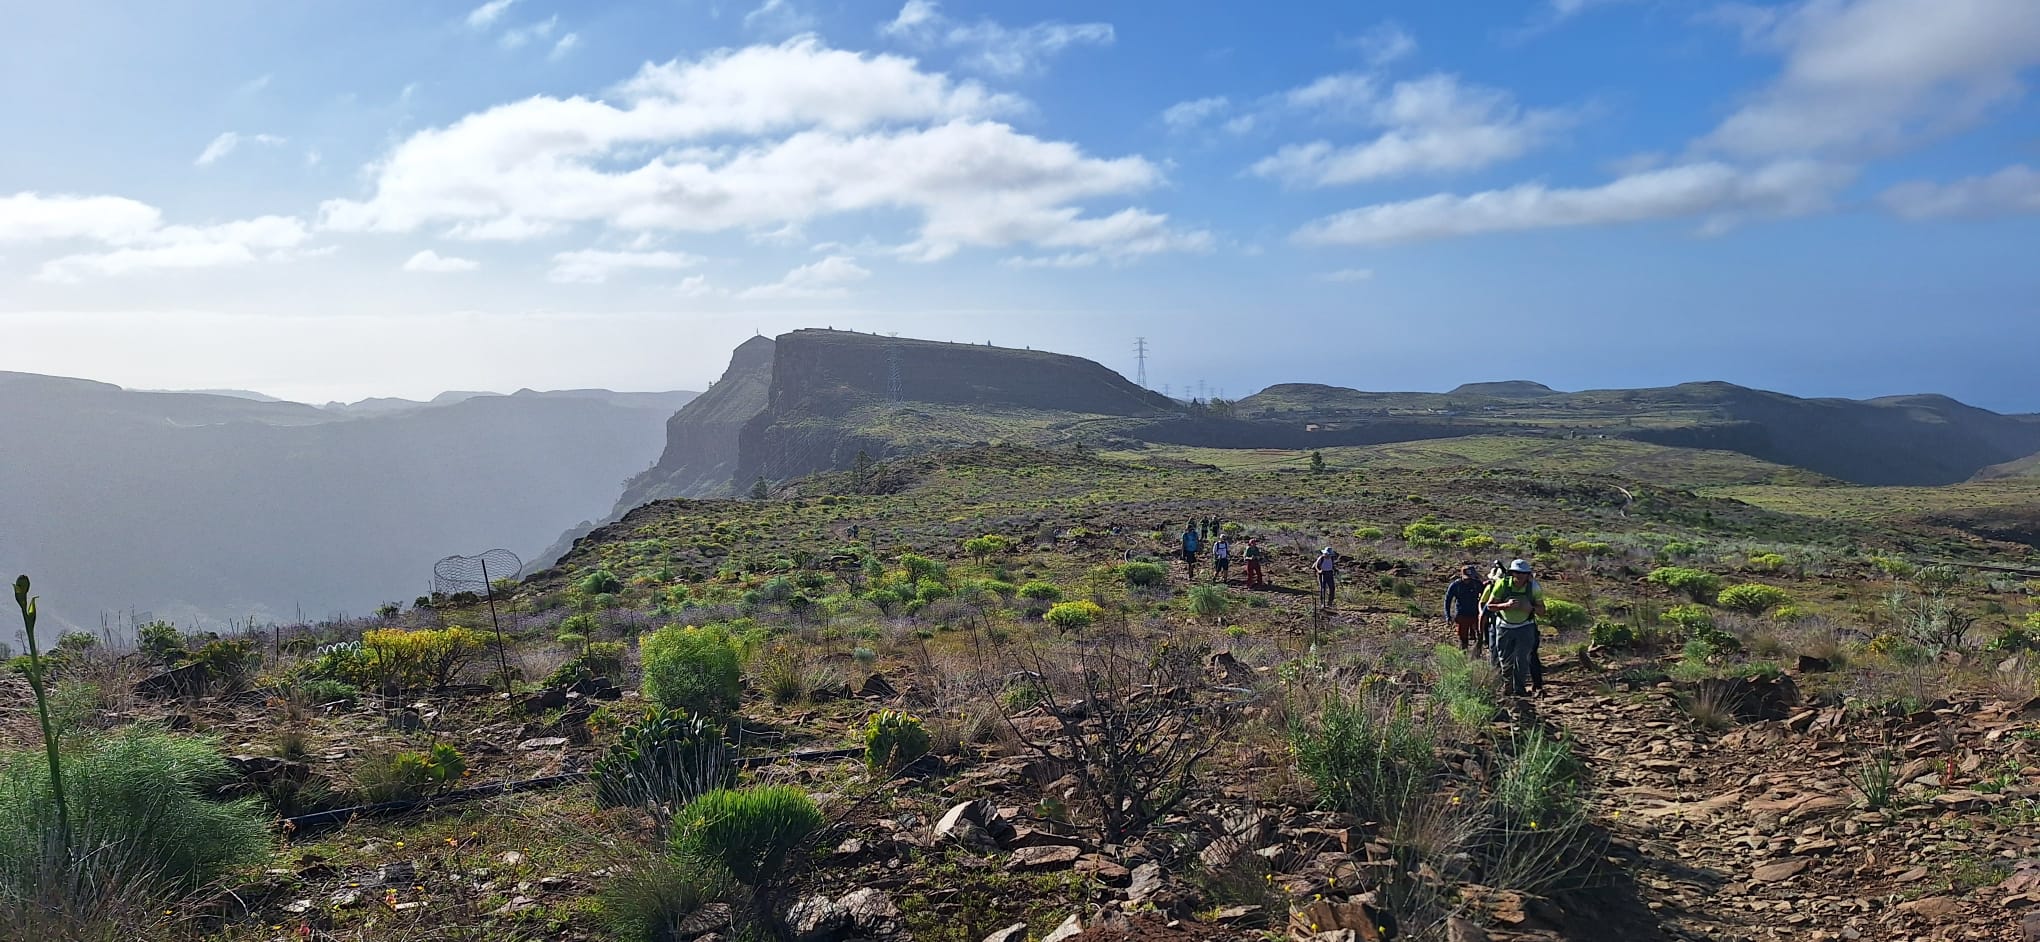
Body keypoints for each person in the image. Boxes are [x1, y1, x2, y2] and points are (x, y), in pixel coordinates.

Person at [1483, 559, 1547, 696]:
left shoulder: (1533, 587)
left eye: (1523, 573)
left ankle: (1519, 689)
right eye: (1516, 573)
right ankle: (1507, 687)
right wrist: (1505, 606)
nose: (1519, 576)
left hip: (1525, 627)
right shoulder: (1502, 584)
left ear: (1528, 574)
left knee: (1522, 659)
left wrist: (1531, 608)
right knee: (1504, 658)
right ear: (1511, 573)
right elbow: (1489, 606)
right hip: (1504, 627)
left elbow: (1542, 611)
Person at [1444, 565, 1485, 653]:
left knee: (1479, 637)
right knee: (1463, 639)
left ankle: (1476, 656)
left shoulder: (1477, 584)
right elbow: (1448, 600)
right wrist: (1448, 616)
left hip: (1476, 615)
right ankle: (1463, 655)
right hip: (1462, 615)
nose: (1468, 580)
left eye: (1470, 578)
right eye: (1467, 578)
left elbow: (1486, 596)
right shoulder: (1456, 585)